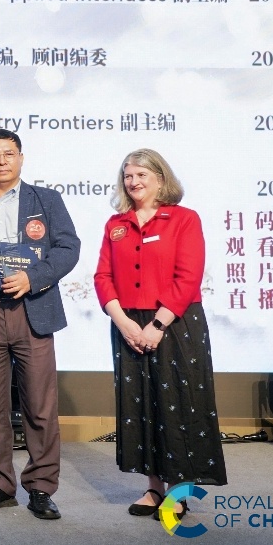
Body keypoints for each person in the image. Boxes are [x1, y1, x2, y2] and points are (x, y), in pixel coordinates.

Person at [93, 148, 226, 521]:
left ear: (161, 178)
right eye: (128, 176)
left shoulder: (183, 219)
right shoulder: (116, 224)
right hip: (128, 323)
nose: (133, 182)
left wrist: (157, 325)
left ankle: (178, 492)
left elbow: (189, 276)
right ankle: (153, 488)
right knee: (141, 406)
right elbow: (103, 277)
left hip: (175, 323)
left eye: (141, 175)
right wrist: (123, 322)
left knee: (179, 405)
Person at [0, 130, 80, 521]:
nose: (2, 161)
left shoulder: (47, 199)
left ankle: (41, 488)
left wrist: (33, 277)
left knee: (40, 407)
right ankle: (0, 485)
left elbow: (69, 247)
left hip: (33, 308)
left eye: (9, 154)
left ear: (21, 158)